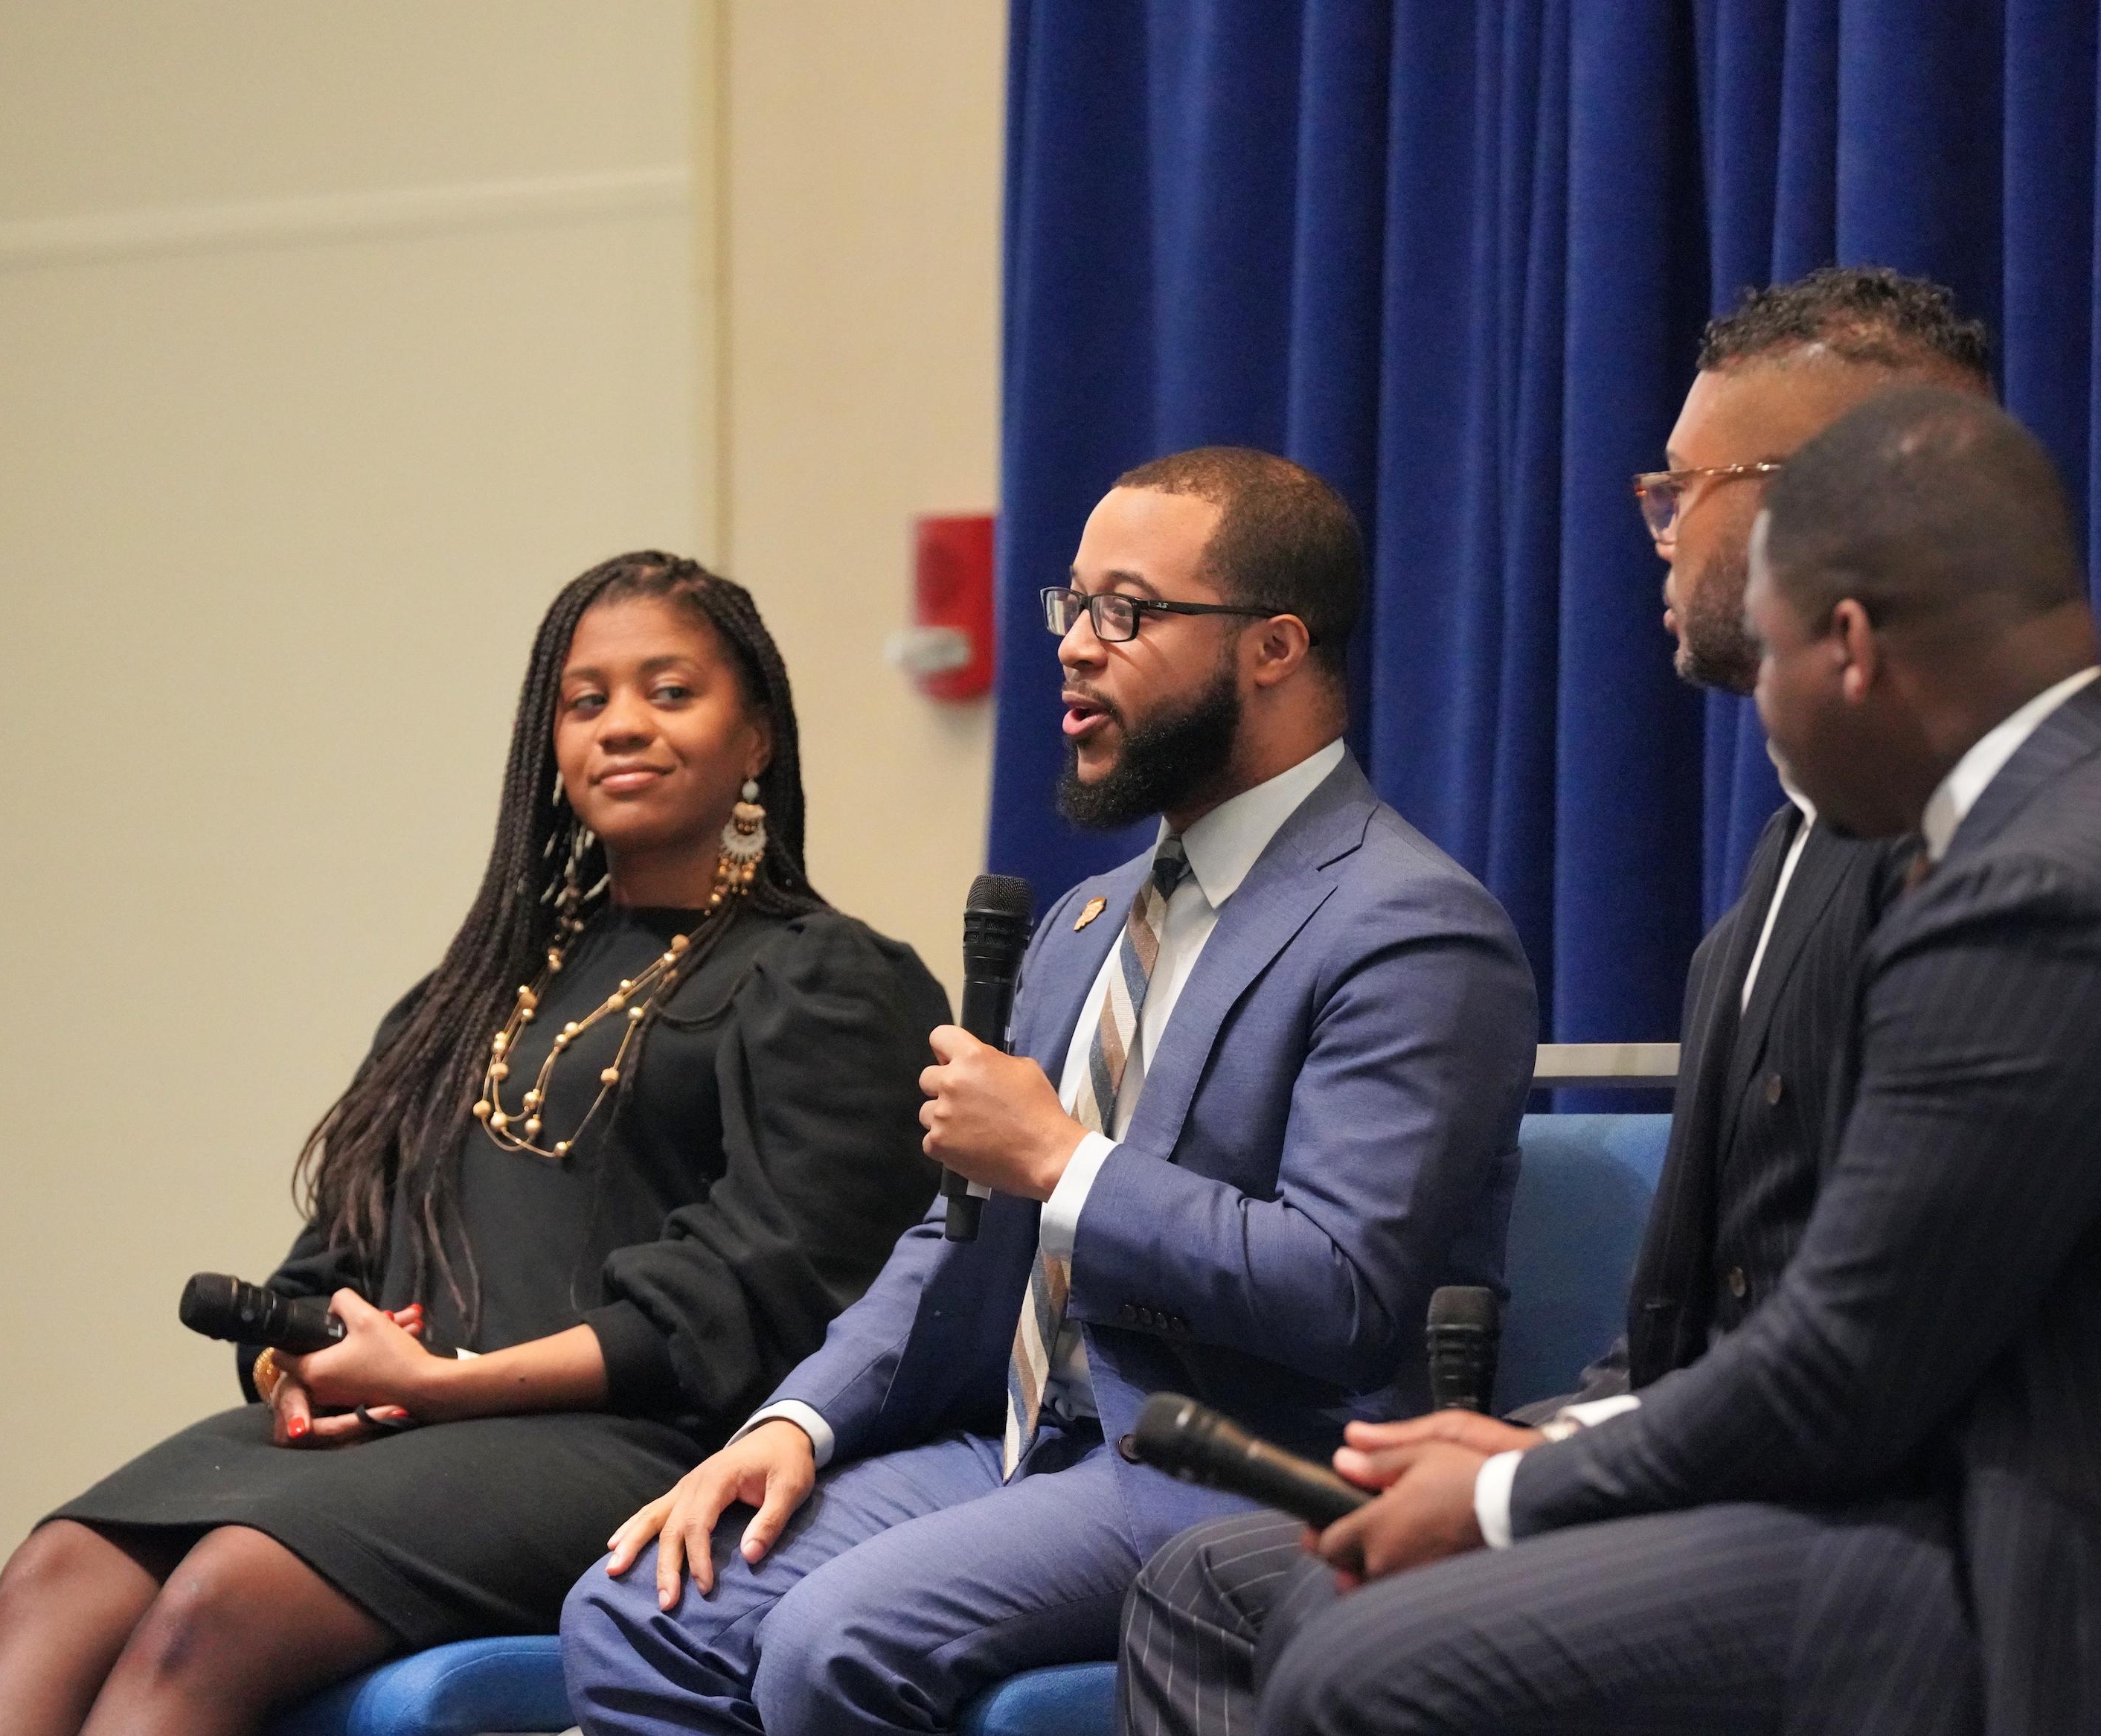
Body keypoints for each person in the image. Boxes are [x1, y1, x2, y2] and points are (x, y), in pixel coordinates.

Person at [1257, 388, 2101, 1735]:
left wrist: (1502, 1493)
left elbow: (1840, 1363)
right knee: (1343, 1609)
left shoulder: (2036, 895)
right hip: (1943, 1491)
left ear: (1851, 646)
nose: (1760, 708)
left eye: (1764, 659)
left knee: (1362, 1667)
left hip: (2049, 1576)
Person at [1116, 267, 1994, 1736]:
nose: (1655, 535)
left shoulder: (1978, 881)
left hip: (1891, 1534)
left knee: (1320, 1629)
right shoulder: (1776, 879)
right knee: (1229, 1572)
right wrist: (1523, 1437)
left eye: (1681, 492)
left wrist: (1526, 1484)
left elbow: (1872, 1353)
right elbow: (1693, 1326)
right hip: (1721, 1472)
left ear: (1813, 503)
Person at [559, 448, 1539, 1736]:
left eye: (1126, 612)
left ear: (1276, 647)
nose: (1076, 649)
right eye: (1069, 606)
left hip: (1234, 1462)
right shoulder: (1088, 921)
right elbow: (953, 1236)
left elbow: (1342, 1290)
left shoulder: (1409, 927)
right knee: (637, 1608)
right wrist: (801, 1417)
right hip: (1024, 1443)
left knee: (827, 1640)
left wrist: (1067, 1161)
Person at [0, 554, 946, 1736]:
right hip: (409, 1430)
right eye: (587, 700)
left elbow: (763, 1297)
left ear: (756, 734)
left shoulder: (826, 977)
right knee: (55, 1569)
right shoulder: (475, 989)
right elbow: (337, 1251)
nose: (624, 725)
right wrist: (295, 1369)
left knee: (218, 1601)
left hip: (642, 1447)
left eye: (671, 692)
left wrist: (454, 1386)